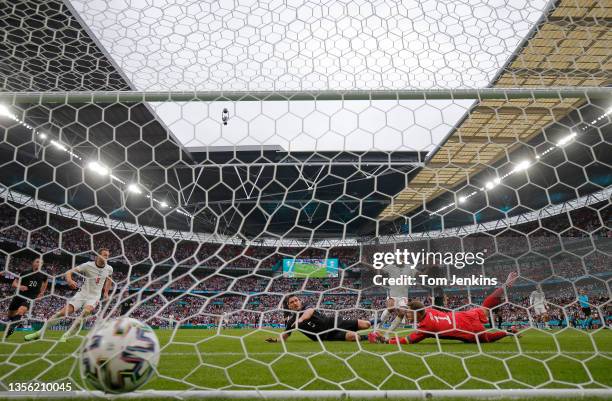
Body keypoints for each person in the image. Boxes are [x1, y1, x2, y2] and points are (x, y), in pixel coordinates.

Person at [369, 272, 521, 345]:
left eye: (409, 313)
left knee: (487, 340)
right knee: (485, 307)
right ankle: (505, 287)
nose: (407, 315)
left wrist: (386, 341)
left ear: (417, 313)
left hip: (470, 330)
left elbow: (408, 340)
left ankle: (508, 332)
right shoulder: (426, 310)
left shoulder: (426, 327)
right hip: (464, 315)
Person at [25, 248, 113, 342]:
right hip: (82, 294)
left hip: (94, 297)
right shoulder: (87, 265)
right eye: (104, 255)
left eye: (107, 256)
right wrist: (69, 280)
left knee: (86, 312)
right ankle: (39, 333)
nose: (106, 257)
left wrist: (106, 292)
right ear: (98, 255)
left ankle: (66, 335)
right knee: (61, 313)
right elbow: (68, 272)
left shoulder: (109, 269)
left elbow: (109, 279)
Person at [265, 294, 371, 343]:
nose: (295, 303)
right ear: (289, 306)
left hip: (333, 322)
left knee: (367, 324)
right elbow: (286, 335)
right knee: (353, 337)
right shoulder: (292, 321)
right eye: (292, 302)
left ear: (300, 301)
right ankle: (371, 337)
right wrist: (276, 340)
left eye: (296, 300)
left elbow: (309, 312)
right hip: (326, 336)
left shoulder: (307, 306)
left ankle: (376, 324)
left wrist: (301, 319)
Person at [4, 258, 48, 339]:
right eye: (37, 262)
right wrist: (19, 286)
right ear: (33, 263)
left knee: (21, 310)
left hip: (30, 297)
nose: (39, 263)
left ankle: (11, 328)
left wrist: (42, 292)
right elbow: (14, 283)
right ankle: (13, 323)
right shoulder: (25, 273)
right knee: (10, 315)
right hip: (19, 296)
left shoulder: (43, 275)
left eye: (41, 262)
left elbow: (45, 282)